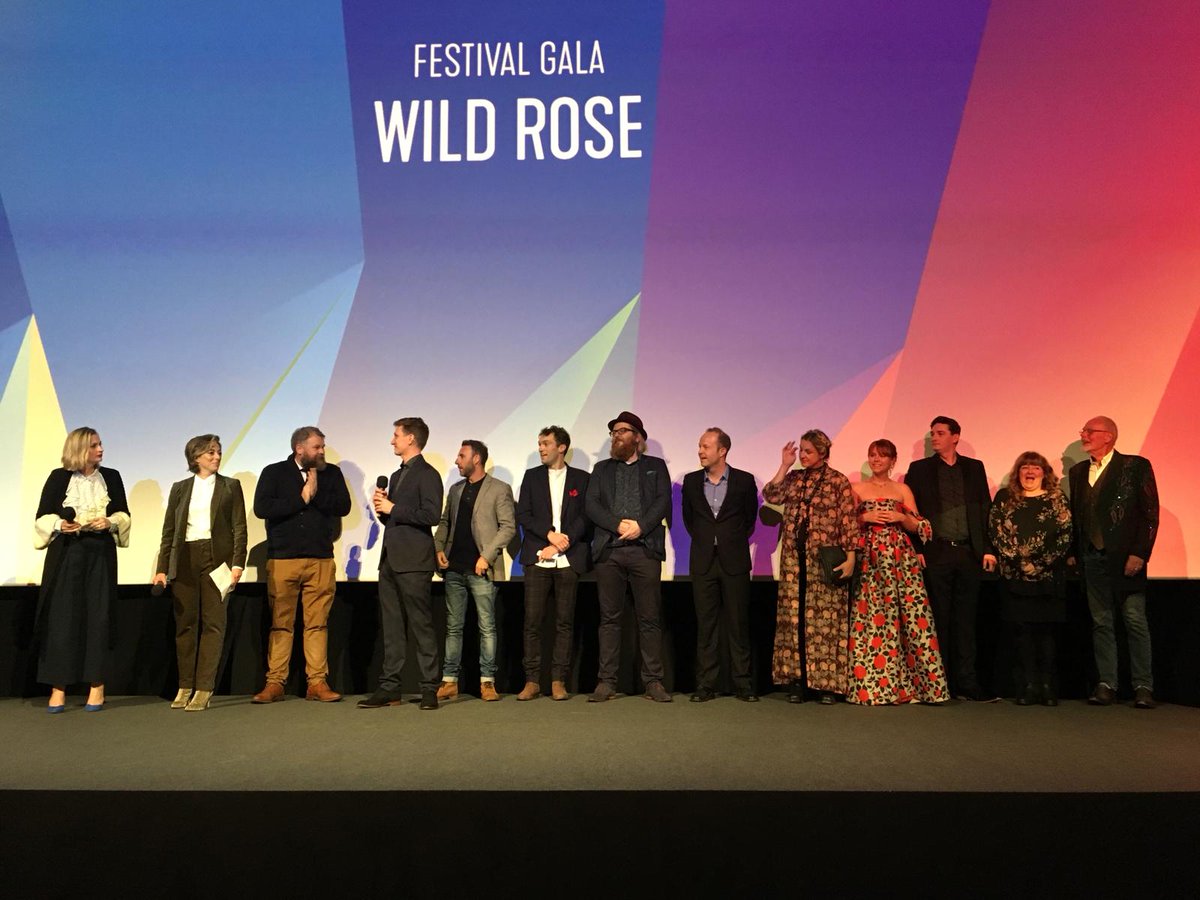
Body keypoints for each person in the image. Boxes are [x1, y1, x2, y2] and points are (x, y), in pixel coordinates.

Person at [33, 427, 131, 712]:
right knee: (62, 618)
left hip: (100, 552)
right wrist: (59, 525)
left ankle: (96, 686)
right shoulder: (59, 477)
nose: (100, 450)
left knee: (98, 616)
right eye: (94, 446)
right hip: (67, 552)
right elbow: (42, 516)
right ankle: (58, 686)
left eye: (101, 444)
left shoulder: (110, 477)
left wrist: (109, 522)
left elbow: (124, 514)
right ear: (79, 449)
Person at [251, 426, 350, 704]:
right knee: (281, 624)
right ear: (300, 448)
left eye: (322, 447)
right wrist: (301, 498)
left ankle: (317, 682)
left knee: (317, 624)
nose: (322, 451)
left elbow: (343, 506)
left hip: (320, 558)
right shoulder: (274, 472)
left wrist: (316, 492)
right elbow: (263, 508)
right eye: (317, 447)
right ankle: (275, 682)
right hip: (283, 558)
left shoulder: (332, 474)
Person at [903, 416, 997, 701]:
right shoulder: (919, 470)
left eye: (940, 433)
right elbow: (910, 512)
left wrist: (988, 549)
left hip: (968, 553)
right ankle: (939, 683)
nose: (935, 438)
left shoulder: (974, 468)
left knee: (966, 621)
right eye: (933, 433)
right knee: (938, 619)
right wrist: (917, 549)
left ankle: (967, 683)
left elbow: (984, 509)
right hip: (936, 552)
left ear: (955, 437)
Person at [848, 439, 948, 705]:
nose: (876, 459)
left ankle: (914, 688)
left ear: (893, 460)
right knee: (873, 620)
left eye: (882, 456)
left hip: (901, 561)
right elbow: (841, 525)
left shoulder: (902, 489)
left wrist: (902, 519)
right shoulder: (856, 488)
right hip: (869, 562)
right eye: (872, 455)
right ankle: (872, 687)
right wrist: (863, 519)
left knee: (911, 621)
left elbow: (922, 527)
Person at [1069, 416, 1159, 709]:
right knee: (1101, 621)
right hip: (1092, 557)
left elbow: (1149, 514)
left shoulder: (1135, 466)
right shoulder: (1078, 471)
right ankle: (1107, 683)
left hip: (1125, 558)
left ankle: (1143, 686)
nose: (1083, 435)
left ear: (1108, 436)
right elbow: (1078, 516)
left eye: (1088, 431)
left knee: (1134, 620)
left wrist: (1140, 553)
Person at [153, 434, 248, 711]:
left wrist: (237, 564)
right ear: (195, 458)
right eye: (210, 453)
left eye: (218, 452)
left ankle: (204, 688)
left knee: (214, 624)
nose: (216, 457)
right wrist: (162, 569)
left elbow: (239, 527)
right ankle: (185, 686)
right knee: (186, 625)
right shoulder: (180, 488)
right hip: (184, 559)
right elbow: (169, 531)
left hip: (217, 560)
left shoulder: (231, 486)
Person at [763, 429, 858, 704]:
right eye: (801, 450)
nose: (803, 455)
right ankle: (797, 681)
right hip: (795, 559)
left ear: (822, 453)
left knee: (825, 621)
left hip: (824, 559)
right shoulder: (794, 478)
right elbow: (771, 495)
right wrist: (784, 464)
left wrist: (851, 556)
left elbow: (847, 520)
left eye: (808, 451)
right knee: (795, 618)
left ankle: (826, 684)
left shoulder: (837, 481)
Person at [585, 411, 672, 702]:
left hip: (644, 550)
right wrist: (616, 524)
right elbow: (591, 505)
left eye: (623, 431)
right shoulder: (601, 469)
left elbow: (663, 500)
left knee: (649, 618)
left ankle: (653, 681)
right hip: (609, 551)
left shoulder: (655, 467)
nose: (617, 436)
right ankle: (606, 681)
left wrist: (641, 526)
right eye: (614, 432)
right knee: (609, 619)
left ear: (637, 437)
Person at [360, 417, 444, 710]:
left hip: (414, 562)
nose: (392, 440)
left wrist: (394, 507)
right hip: (390, 561)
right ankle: (390, 687)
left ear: (411, 439)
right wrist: (383, 509)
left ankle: (430, 687)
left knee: (421, 625)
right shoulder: (396, 477)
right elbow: (396, 519)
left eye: (396, 435)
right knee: (392, 627)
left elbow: (431, 515)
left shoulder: (428, 474)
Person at [433, 440, 517, 702]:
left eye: (461, 455)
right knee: (453, 627)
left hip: (481, 569)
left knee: (486, 627)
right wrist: (438, 549)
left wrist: (486, 556)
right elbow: (445, 522)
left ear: (476, 458)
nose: (457, 460)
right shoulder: (456, 490)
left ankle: (488, 682)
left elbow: (508, 527)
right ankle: (449, 681)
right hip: (454, 568)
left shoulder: (499, 489)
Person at [681, 427, 760, 702]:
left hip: (734, 561)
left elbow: (749, 520)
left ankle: (743, 684)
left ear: (722, 450)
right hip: (703, 561)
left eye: (705, 446)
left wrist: (727, 539)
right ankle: (706, 685)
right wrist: (709, 540)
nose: (700, 451)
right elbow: (690, 520)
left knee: (738, 624)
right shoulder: (691, 482)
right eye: (700, 446)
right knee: (706, 626)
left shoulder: (744, 481)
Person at [989, 451, 1072, 706]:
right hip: (1015, 578)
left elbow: (1065, 534)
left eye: (1035, 467)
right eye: (1025, 467)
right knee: (1021, 633)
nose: (1029, 471)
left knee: (1046, 633)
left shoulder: (1057, 499)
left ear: (1044, 473)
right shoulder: (1005, 498)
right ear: (1018, 472)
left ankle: (1046, 687)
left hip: (1048, 579)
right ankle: (1025, 686)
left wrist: (1040, 565)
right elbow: (996, 532)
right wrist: (1022, 564)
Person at [515, 426, 591, 701]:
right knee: (532, 623)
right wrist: (549, 536)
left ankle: (559, 680)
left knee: (564, 623)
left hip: (568, 560)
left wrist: (563, 542)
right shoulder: (532, 477)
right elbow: (523, 514)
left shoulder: (582, 479)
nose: (541, 448)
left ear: (562, 447)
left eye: (546, 443)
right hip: (537, 559)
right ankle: (532, 680)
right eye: (539, 444)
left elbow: (586, 516)